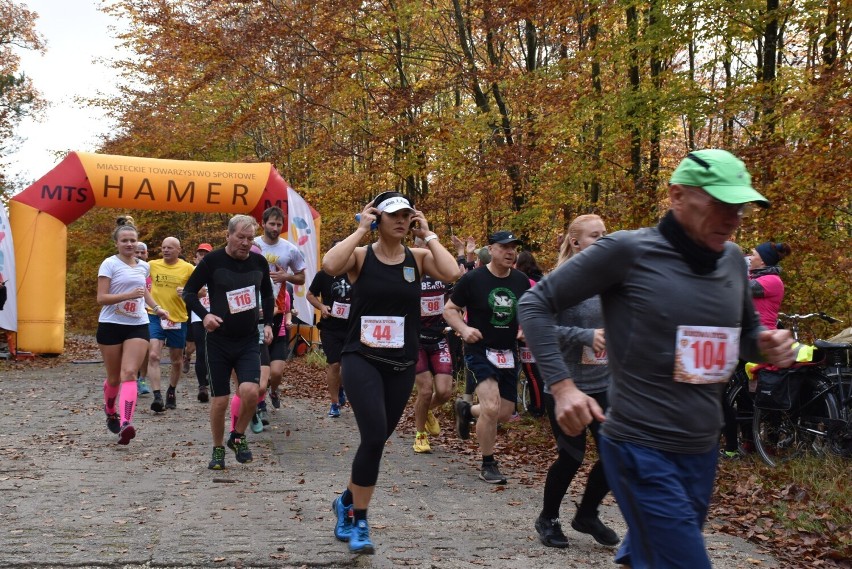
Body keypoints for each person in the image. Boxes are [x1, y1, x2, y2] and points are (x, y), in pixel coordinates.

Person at [518, 149, 796, 568]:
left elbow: (743, 338)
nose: (733, 216)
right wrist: (562, 387)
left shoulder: (732, 264)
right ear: (677, 196)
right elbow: (536, 304)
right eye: (719, 203)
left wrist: (765, 344)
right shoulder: (628, 251)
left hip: (701, 448)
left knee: (651, 554)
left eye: (738, 206)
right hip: (640, 445)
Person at [322, 191, 459, 554]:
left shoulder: (419, 257)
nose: (401, 220)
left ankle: (346, 500)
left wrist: (428, 234)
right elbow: (329, 265)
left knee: (377, 440)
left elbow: (453, 272)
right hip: (361, 357)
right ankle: (360, 522)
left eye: (406, 215)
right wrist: (359, 229)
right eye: (393, 215)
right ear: (377, 219)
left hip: (401, 363)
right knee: (372, 436)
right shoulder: (360, 256)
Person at [532, 214, 618, 549]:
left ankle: (587, 514)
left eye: (605, 234)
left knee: (617, 452)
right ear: (575, 241)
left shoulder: (612, 280)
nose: (603, 239)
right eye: (595, 235)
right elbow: (536, 329)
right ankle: (548, 518)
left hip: (604, 382)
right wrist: (583, 335)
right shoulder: (561, 282)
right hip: (565, 384)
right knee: (572, 456)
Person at [182, 215, 274, 470]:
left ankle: (238, 436)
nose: (245, 243)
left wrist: (268, 325)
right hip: (218, 341)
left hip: (247, 339)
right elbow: (189, 292)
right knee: (220, 400)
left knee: (251, 392)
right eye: (240, 237)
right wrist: (205, 315)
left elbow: (267, 293)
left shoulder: (259, 262)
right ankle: (218, 448)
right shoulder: (213, 261)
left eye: (249, 238)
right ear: (228, 236)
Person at [445, 230, 531, 484]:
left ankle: (467, 410)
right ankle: (488, 463)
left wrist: (525, 327)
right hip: (479, 350)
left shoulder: (521, 281)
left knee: (504, 412)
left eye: (513, 247)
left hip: (508, 352)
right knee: (492, 407)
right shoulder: (473, 279)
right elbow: (449, 309)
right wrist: (464, 329)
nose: (510, 252)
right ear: (491, 249)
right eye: (504, 247)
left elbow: (529, 310)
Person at [96, 219, 169, 445]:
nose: (129, 244)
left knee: (129, 373)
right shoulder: (109, 264)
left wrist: (157, 308)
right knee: (114, 378)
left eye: (133, 240)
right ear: (117, 243)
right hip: (111, 325)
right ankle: (110, 410)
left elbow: (144, 292)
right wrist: (127, 295)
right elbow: (101, 298)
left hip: (138, 323)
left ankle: (126, 423)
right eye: (124, 240)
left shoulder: (143, 266)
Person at [252, 206, 306, 413]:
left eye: (279, 224)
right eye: (271, 224)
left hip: (279, 313)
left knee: (277, 372)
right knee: (262, 369)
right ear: (263, 224)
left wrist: (286, 277)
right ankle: (260, 398)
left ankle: (274, 390)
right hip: (256, 312)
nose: (275, 228)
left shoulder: (289, 249)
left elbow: (301, 277)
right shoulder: (254, 245)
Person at [411, 236, 454, 453]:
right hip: (415, 339)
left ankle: (425, 410)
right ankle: (420, 435)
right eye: (421, 243)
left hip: (438, 337)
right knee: (426, 390)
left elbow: (458, 285)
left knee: (445, 392)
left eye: (428, 243)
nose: (425, 247)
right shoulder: (410, 266)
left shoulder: (441, 267)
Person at [146, 237, 195, 412]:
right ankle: (157, 396)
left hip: (177, 318)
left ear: (179, 250)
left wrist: (188, 291)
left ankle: (171, 390)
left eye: (170, 248)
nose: (166, 250)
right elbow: (135, 275)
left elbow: (203, 290)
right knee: (153, 355)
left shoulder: (188, 268)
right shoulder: (152, 265)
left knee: (176, 360)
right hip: (155, 315)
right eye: (163, 247)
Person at [306, 263, 352, 418]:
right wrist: (322, 307)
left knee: (348, 365)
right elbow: (310, 295)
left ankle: (341, 388)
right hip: (330, 327)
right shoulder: (323, 274)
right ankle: (334, 403)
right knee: (334, 364)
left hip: (352, 327)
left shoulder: (354, 272)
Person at [187, 243, 213, 403]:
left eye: (206, 253)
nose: (203, 256)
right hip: (198, 316)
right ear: (196, 256)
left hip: (216, 315)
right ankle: (202, 386)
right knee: (201, 350)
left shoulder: (216, 269)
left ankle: (212, 378)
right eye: (201, 253)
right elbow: (186, 292)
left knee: (214, 351)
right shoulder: (192, 272)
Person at [747, 241, 792, 329]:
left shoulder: (772, 280)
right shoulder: (754, 277)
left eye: (753, 255)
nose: (750, 258)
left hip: (764, 334)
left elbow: (740, 288)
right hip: (751, 332)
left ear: (762, 261)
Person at [134, 241, 152, 395]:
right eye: (137, 252)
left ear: (147, 254)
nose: (139, 255)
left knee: (146, 348)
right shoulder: (123, 268)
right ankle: (130, 377)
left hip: (149, 313)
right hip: (127, 314)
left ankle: (142, 379)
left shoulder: (150, 268)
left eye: (142, 252)